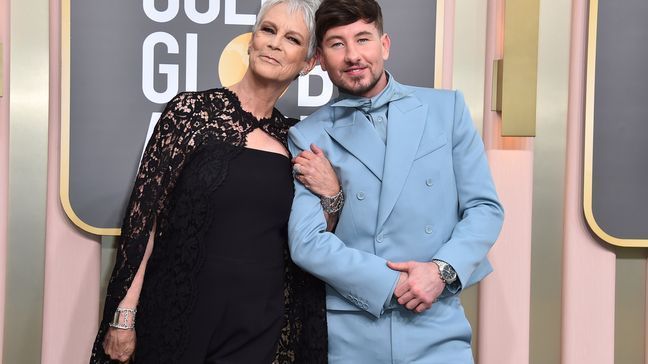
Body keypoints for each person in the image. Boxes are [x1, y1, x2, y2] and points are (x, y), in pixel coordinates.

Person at [90, 0, 336, 363]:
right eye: (268, 30)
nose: (274, 43)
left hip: (257, 326)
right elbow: (146, 223)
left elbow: (310, 239)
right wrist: (124, 317)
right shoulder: (190, 114)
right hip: (175, 313)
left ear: (308, 62)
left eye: (292, 38)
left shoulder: (297, 140)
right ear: (251, 41)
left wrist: (332, 195)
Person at [288, 0, 505, 362]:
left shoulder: (445, 109)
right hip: (352, 332)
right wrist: (391, 283)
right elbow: (307, 242)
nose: (353, 55)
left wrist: (440, 271)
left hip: (436, 322)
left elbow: (484, 208)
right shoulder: (308, 135)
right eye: (337, 44)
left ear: (385, 44)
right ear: (321, 59)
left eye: (363, 39)